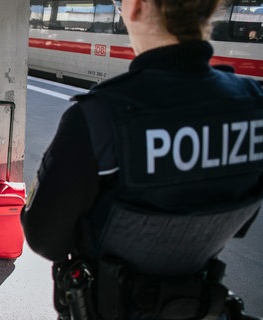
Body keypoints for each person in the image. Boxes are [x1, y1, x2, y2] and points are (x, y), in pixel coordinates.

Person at [21, 0, 263, 319]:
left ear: (136, 6)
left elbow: (44, 239)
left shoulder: (97, 117)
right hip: (199, 307)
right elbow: (238, 220)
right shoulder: (253, 107)